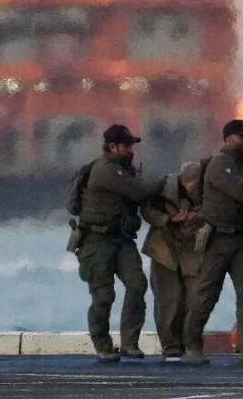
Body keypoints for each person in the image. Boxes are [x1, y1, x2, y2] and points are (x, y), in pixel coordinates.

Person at [182, 119, 243, 365]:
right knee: (207, 293)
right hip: (218, 238)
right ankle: (191, 344)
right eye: (241, 137)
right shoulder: (220, 164)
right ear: (227, 139)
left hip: (242, 237)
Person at [75, 124, 160, 362]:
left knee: (137, 284)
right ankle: (103, 344)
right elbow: (140, 192)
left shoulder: (124, 170)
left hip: (120, 238)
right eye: (127, 146)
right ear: (113, 147)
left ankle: (129, 343)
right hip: (96, 241)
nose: (131, 150)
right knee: (103, 295)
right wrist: (162, 182)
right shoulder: (105, 170)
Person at [141, 161, 205, 362]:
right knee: (168, 299)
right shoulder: (162, 187)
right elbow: (147, 211)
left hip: (192, 248)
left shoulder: (207, 189)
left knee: (195, 298)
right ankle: (170, 346)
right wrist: (168, 219)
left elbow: (215, 211)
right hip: (164, 249)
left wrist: (196, 216)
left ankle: (190, 342)